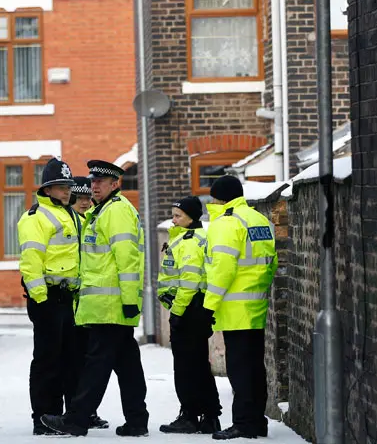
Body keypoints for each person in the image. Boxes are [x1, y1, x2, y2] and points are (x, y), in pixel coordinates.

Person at [42, 160, 149, 437]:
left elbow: (128, 259)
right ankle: (137, 420)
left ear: (115, 184)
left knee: (96, 364)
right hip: (107, 304)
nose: (95, 186)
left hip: (110, 305)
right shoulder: (104, 212)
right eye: (93, 182)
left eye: (101, 182)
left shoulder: (116, 212)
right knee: (127, 365)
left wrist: (127, 301)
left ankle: (76, 420)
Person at [202, 175, 277, 440]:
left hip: (234, 308)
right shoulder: (260, 220)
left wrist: (208, 306)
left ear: (218, 198)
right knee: (255, 367)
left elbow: (223, 268)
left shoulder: (226, 222)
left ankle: (244, 424)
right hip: (255, 304)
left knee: (240, 369)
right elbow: (271, 262)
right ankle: (257, 422)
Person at [17, 158, 82, 435]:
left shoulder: (70, 214)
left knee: (69, 359)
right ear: (47, 189)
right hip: (48, 298)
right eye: (60, 186)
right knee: (47, 360)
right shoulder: (36, 217)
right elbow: (31, 260)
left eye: (68, 186)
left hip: (68, 298)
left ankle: (64, 416)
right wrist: (41, 298)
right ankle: (43, 417)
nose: (67, 191)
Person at [157, 196, 222, 435]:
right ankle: (208, 416)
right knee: (197, 365)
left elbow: (189, 283)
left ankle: (191, 415)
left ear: (192, 217)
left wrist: (176, 313)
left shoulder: (190, 242)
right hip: (194, 310)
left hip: (188, 311)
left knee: (186, 366)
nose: (173, 220)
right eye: (173, 215)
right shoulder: (190, 238)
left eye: (178, 216)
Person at [69, 175, 109, 430]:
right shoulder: (70, 222)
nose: (85, 202)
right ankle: (75, 412)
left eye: (87, 198)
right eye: (80, 198)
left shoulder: (93, 220)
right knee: (74, 362)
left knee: (86, 362)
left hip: (89, 304)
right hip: (72, 303)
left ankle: (85, 413)